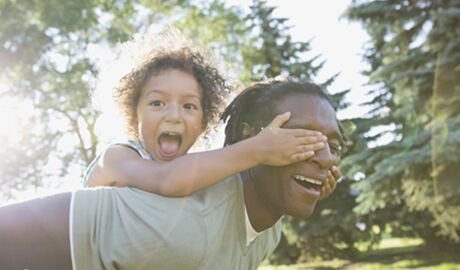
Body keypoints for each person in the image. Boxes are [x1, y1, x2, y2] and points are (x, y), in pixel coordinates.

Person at [0, 78, 344, 270]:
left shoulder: (269, 230)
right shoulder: (181, 222)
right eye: (303, 139)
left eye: (333, 145)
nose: (327, 158)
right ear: (250, 136)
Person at [83, 28, 328, 196]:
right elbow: (165, 180)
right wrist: (258, 148)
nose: (173, 116)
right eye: (157, 103)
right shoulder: (116, 158)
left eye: (189, 106)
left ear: (202, 124)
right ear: (134, 115)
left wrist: (308, 183)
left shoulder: (198, 175)